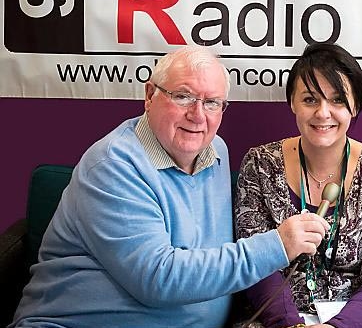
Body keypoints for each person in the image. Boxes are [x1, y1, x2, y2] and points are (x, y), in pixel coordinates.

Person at [10, 46, 329, 328]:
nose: (198, 115)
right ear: (150, 96)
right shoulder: (114, 167)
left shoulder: (215, 151)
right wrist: (277, 246)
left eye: (212, 102)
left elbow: (210, 256)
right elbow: (158, 278)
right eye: (183, 96)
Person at [234, 42, 362, 328]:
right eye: (309, 99)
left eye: (337, 100)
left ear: (355, 106)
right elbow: (255, 263)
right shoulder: (260, 164)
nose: (323, 113)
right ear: (292, 102)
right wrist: (292, 325)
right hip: (277, 319)